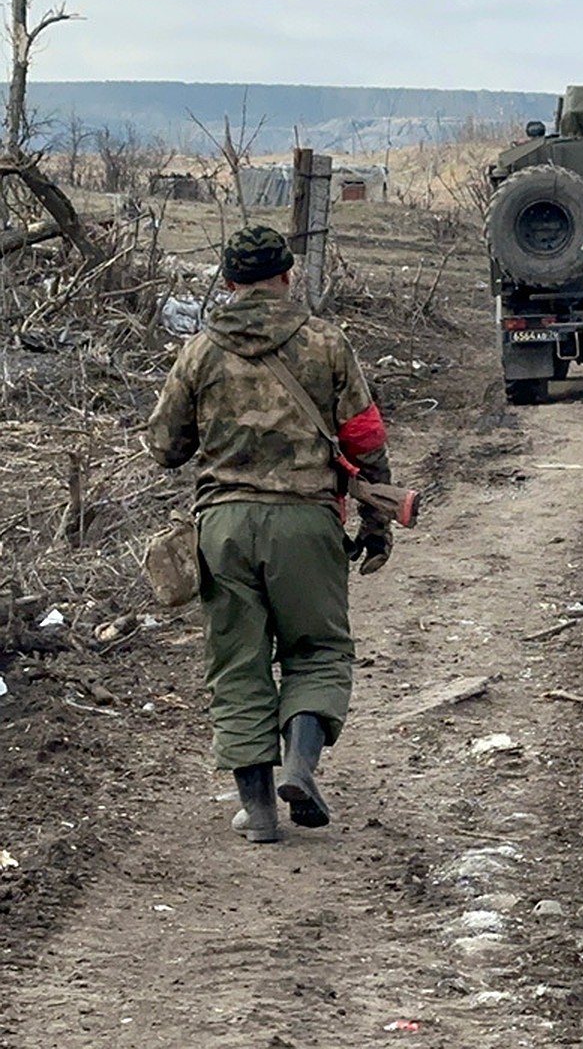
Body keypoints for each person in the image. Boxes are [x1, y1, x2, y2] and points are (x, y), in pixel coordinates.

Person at [147, 225, 395, 844]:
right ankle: (302, 768)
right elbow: (364, 438)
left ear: (229, 282)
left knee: (238, 664)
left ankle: (258, 812)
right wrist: (377, 519)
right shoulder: (326, 342)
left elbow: (163, 447)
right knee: (317, 650)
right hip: (307, 523)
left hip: (224, 527)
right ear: (289, 275)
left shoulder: (200, 350)